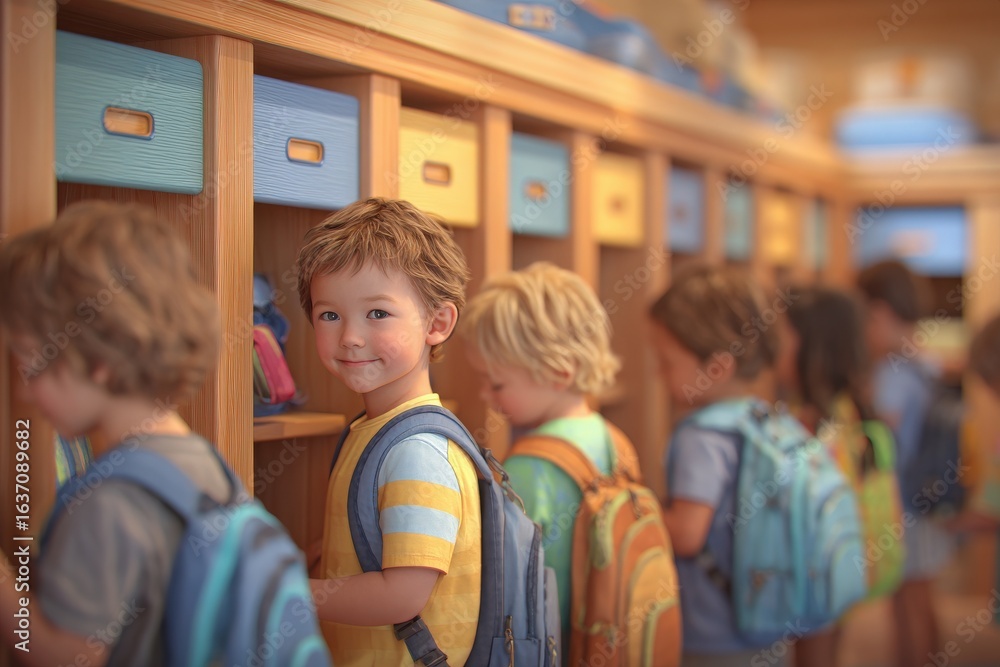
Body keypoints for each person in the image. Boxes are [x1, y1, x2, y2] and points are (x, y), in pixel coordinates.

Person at [0, 201, 231, 666]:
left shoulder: (109, 503)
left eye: (30, 361)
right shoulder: (203, 461)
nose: (23, 391)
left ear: (98, 362)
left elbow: (62, 657)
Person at [297, 197, 481, 666]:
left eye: (377, 314)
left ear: (436, 324)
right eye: (329, 314)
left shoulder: (416, 451)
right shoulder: (374, 430)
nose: (350, 337)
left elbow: (401, 596)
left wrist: (287, 592)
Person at [459, 261, 628, 651]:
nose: (485, 395)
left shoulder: (531, 467)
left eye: (495, 382)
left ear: (558, 372)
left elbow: (504, 585)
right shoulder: (611, 436)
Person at [649, 262, 787, 667]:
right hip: (762, 613)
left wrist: (635, 507)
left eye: (667, 361)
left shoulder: (701, 436)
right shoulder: (761, 416)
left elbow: (688, 533)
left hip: (712, 629)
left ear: (716, 367)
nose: (658, 374)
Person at [775, 285, 903, 667]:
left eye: (781, 336)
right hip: (844, 560)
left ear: (813, 346)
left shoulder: (815, 423)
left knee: (815, 652)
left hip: (816, 565)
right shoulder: (850, 409)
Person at [856, 259, 953, 667]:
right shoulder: (926, 361)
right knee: (921, 600)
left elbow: (882, 437)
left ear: (878, 311)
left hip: (902, 505)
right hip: (927, 499)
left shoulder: (890, 372)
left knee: (907, 606)